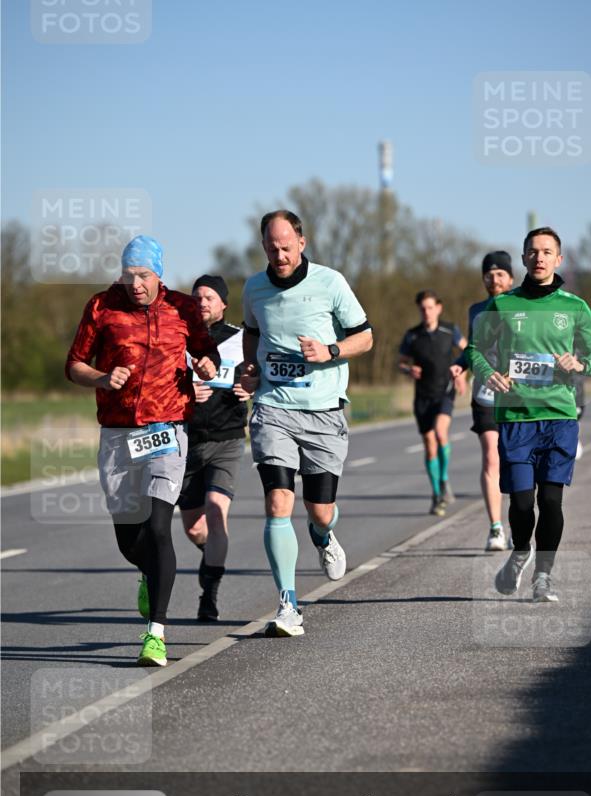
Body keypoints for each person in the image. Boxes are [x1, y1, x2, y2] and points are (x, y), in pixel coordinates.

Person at [65, 235, 219, 666]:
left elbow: (206, 355)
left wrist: (206, 365)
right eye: (129, 274)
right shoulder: (101, 307)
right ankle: (147, 574)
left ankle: (156, 633)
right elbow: (73, 364)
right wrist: (99, 378)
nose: (136, 283)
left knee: (156, 526)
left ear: (159, 275)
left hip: (166, 429)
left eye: (144, 275)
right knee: (128, 537)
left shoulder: (183, 308)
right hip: (117, 434)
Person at [239, 210, 373, 637]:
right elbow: (252, 332)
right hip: (273, 407)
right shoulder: (254, 288)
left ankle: (324, 535)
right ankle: (288, 604)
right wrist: (249, 367)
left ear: (302, 241)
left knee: (319, 510)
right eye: (271, 247)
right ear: (263, 246)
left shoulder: (330, 282)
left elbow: (366, 336)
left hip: (322, 411)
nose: (279, 254)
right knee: (278, 501)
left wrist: (331, 351)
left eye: (285, 246)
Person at [468, 227, 591, 602]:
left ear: (558, 259)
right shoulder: (504, 304)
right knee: (520, 502)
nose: (540, 257)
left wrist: (579, 363)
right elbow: (476, 349)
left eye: (547, 252)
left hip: (559, 417)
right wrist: (489, 373)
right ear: (524, 258)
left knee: (550, 501)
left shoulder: (575, 307)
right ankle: (519, 551)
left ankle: (543, 576)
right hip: (516, 418)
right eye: (533, 251)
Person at [178, 274, 250, 621]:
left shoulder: (240, 338)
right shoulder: (178, 338)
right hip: (186, 441)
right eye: (197, 297)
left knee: (216, 510)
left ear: (223, 303)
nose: (202, 302)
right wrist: (186, 393)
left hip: (227, 438)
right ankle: (213, 556)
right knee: (193, 526)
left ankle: (210, 593)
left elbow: (260, 374)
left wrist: (251, 387)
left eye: (209, 297)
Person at [450, 252, 514, 549]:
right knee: (491, 455)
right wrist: (460, 364)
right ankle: (496, 528)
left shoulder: (522, 307)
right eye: (489, 274)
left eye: (500, 273)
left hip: (518, 395)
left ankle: (520, 523)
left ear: (511, 278)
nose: (494, 278)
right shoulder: (476, 310)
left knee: (517, 461)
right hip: (486, 393)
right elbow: (472, 348)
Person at [398, 290, 466, 517]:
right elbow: (401, 362)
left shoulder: (450, 330)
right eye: (422, 308)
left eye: (430, 307)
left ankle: (444, 479)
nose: (426, 312)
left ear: (439, 308)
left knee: (440, 432)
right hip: (423, 396)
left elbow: (469, 352)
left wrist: (462, 375)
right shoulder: (412, 335)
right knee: (429, 443)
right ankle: (437, 493)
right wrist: (409, 369)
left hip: (445, 392)